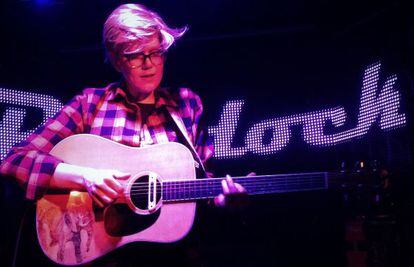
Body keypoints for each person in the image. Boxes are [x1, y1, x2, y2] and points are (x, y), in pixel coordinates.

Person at [0, 3, 246, 266]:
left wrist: (222, 200)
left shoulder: (186, 104)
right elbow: (15, 161)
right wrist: (86, 177)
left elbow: (200, 186)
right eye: (136, 55)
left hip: (173, 257)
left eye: (156, 52)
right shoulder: (90, 104)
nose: (149, 64)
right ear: (117, 59)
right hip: (102, 256)